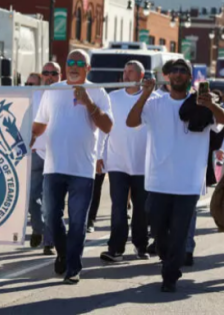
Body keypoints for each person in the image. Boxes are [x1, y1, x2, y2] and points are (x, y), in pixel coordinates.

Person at [127, 58, 224, 292]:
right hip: (158, 180)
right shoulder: (155, 103)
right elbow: (131, 121)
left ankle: (170, 276)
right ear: (168, 76)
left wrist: (211, 104)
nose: (179, 74)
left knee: (181, 232)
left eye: (184, 71)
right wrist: (144, 94)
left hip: (188, 182)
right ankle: (166, 255)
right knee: (158, 228)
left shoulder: (201, 104)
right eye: (175, 71)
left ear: (190, 78)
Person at [33, 50, 113, 285]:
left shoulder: (98, 91)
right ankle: (64, 253)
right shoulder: (53, 90)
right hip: (54, 165)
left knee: (78, 221)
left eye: (80, 63)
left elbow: (107, 126)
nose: (74, 66)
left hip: (82, 168)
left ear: (88, 69)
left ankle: (73, 267)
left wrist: (88, 102)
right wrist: (28, 139)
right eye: (71, 62)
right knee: (50, 216)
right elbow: (40, 123)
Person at [97, 61, 151, 263]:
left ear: (141, 75)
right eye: (125, 71)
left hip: (143, 164)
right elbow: (104, 128)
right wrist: (99, 155)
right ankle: (115, 248)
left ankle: (140, 245)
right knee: (118, 207)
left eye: (131, 72)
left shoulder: (153, 99)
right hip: (117, 162)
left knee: (141, 208)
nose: (126, 75)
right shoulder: (113, 98)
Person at [29, 62, 60, 256]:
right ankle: (38, 229)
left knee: (51, 202)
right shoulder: (33, 95)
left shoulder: (66, 94)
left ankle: (49, 241)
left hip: (56, 157)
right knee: (32, 199)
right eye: (46, 73)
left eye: (53, 73)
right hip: (35, 153)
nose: (49, 76)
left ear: (59, 75)